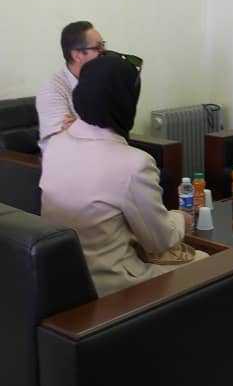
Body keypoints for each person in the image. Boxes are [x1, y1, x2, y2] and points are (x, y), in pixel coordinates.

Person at [40, 54, 206, 297]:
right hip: (111, 284)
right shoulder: (133, 164)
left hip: (62, 277)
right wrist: (182, 218)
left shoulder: (55, 144)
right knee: (207, 261)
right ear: (126, 101)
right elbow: (160, 241)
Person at [36, 21, 106, 149]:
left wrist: (79, 127)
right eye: (98, 47)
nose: (105, 52)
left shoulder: (100, 80)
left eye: (104, 45)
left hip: (102, 150)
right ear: (77, 55)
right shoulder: (52, 88)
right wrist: (92, 129)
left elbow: (115, 127)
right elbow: (60, 141)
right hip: (64, 158)